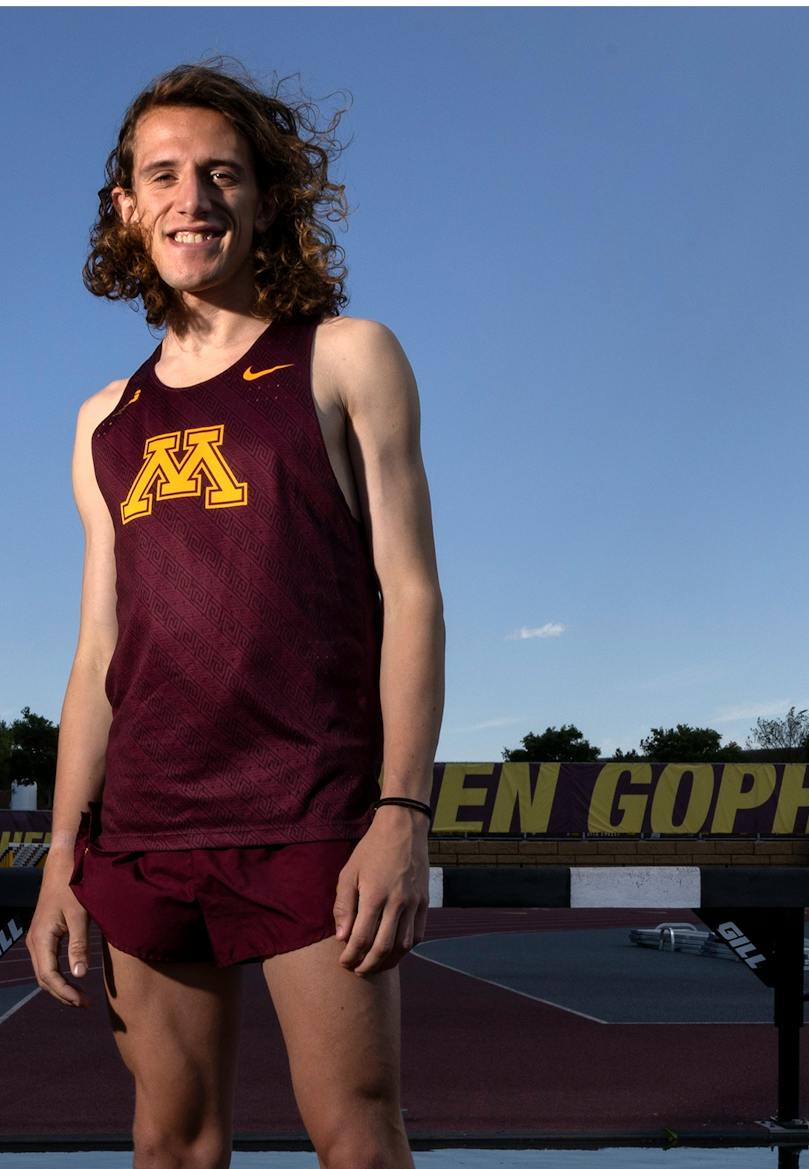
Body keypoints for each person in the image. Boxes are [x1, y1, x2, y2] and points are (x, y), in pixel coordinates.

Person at [26, 59, 445, 1169]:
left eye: (221, 173)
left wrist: (401, 808)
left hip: (312, 814)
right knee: (169, 1139)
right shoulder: (101, 420)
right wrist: (63, 851)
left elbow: (411, 593)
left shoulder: (349, 355)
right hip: (147, 825)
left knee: (357, 1135)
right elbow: (99, 649)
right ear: (127, 207)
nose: (192, 197)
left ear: (265, 196)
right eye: (162, 175)